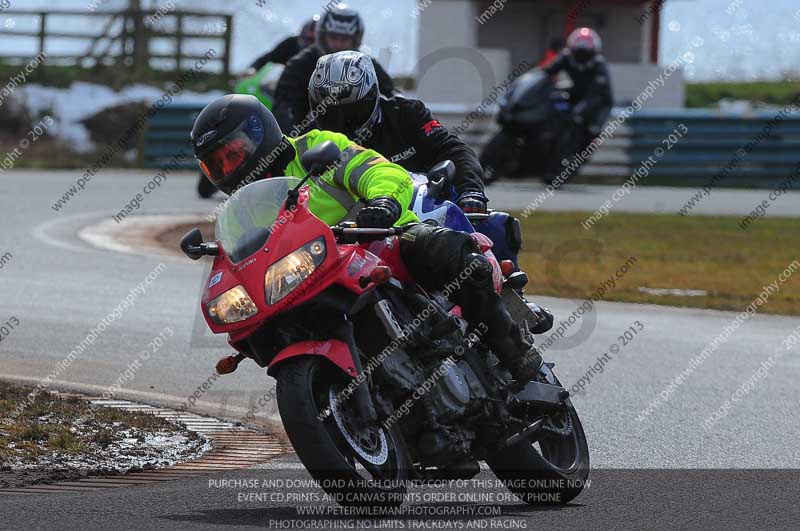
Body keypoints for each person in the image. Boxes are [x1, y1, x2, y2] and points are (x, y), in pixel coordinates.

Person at [190, 94, 542, 382]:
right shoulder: (245, 207)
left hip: (383, 240)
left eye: (233, 154)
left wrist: (384, 200)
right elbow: (245, 254)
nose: (229, 168)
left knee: (449, 252)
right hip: (316, 277)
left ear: (259, 133)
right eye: (217, 165)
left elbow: (377, 169)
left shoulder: (317, 147)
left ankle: (513, 351)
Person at [308, 50, 488, 213]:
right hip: (343, 230)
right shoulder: (313, 140)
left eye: (351, 111)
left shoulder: (407, 115)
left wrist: (470, 190)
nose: (342, 122)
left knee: (496, 227)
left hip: (416, 221)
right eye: (332, 114)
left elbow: (454, 150)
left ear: (373, 96)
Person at [273, 5, 396, 135]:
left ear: (354, 40)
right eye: (333, 38)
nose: (338, 44)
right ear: (322, 37)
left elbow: (390, 94)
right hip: (312, 140)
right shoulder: (300, 64)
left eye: (344, 39)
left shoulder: (366, 64)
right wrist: (296, 143)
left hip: (362, 141)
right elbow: (285, 107)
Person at [544, 27, 612, 153]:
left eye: (586, 48)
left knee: (590, 131)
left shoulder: (599, 65)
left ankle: (572, 155)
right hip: (576, 95)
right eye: (579, 47)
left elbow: (599, 95)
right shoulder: (566, 56)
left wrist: (579, 112)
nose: (582, 51)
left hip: (596, 103)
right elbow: (547, 71)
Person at [249, 17, 318, 71]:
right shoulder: (291, 42)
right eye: (311, 28)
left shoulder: (319, 57)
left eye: (315, 31)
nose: (310, 34)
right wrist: (253, 70)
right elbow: (269, 58)